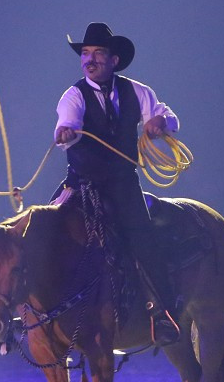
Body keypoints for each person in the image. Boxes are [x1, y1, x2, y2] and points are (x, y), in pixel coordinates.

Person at [52, 22, 181, 346]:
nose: (89, 60)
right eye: (85, 53)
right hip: (83, 184)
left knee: (143, 239)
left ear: (114, 60)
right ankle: (37, 314)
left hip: (123, 184)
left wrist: (159, 122)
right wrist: (65, 133)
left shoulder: (138, 92)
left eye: (97, 53)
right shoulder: (73, 96)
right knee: (44, 228)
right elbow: (66, 124)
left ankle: (160, 313)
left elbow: (168, 116)